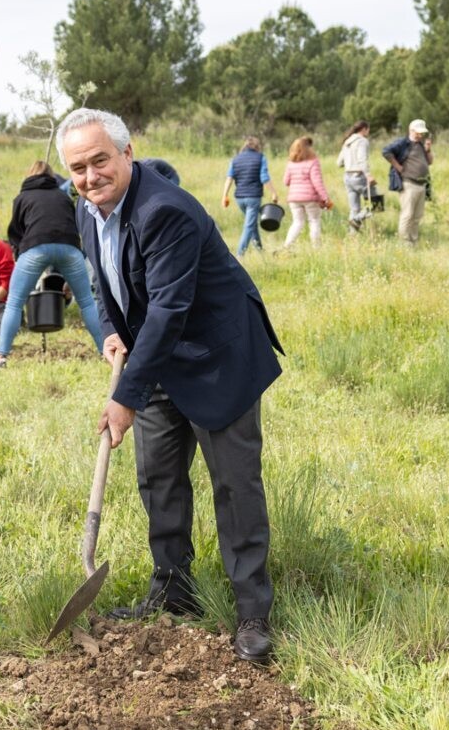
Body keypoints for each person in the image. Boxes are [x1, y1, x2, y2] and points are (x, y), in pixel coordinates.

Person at [59, 107, 282, 664]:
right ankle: (173, 589)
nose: (90, 177)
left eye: (99, 161)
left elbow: (168, 310)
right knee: (157, 476)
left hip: (215, 357)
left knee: (234, 484)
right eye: (78, 168)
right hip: (153, 359)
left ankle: (252, 610)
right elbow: (102, 277)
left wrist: (124, 396)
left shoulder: (166, 211)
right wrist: (111, 331)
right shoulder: (87, 210)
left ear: (126, 153)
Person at [0, 160, 103, 367]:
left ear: (29, 174)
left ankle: (0, 357)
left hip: (36, 248)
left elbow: (15, 232)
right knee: (86, 301)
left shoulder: (22, 197)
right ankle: (105, 352)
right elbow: (75, 225)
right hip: (70, 249)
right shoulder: (63, 196)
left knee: (14, 302)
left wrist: (20, 253)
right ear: (51, 176)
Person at [220, 135, 281, 257]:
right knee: (248, 226)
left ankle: (260, 250)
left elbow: (229, 178)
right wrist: (274, 193)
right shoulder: (260, 158)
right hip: (253, 197)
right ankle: (239, 255)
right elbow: (264, 178)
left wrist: (224, 196)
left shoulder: (235, 159)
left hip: (239, 198)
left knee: (251, 223)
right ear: (257, 147)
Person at [383, 119, 433, 245]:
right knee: (407, 214)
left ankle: (413, 241)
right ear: (411, 131)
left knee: (417, 216)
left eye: (421, 133)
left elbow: (430, 162)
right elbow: (386, 152)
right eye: (418, 132)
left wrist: (428, 150)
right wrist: (398, 166)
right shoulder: (403, 143)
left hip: (422, 185)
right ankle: (404, 242)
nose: (420, 135)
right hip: (408, 184)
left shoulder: (421, 145)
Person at [281, 136, 331, 247]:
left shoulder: (291, 163)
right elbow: (317, 182)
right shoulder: (313, 162)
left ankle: (287, 246)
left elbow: (286, 181)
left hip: (294, 198)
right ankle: (316, 247)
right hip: (310, 198)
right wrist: (325, 197)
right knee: (314, 220)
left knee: (297, 222)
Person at [336, 120, 374, 232]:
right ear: (364, 129)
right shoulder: (362, 141)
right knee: (376, 204)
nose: (368, 132)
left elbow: (339, 163)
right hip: (360, 176)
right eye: (368, 129)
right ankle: (356, 220)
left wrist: (349, 162)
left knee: (354, 209)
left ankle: (352, 236)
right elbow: (362, 159)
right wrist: (368, 175)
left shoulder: (347, 141)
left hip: (348, 177)